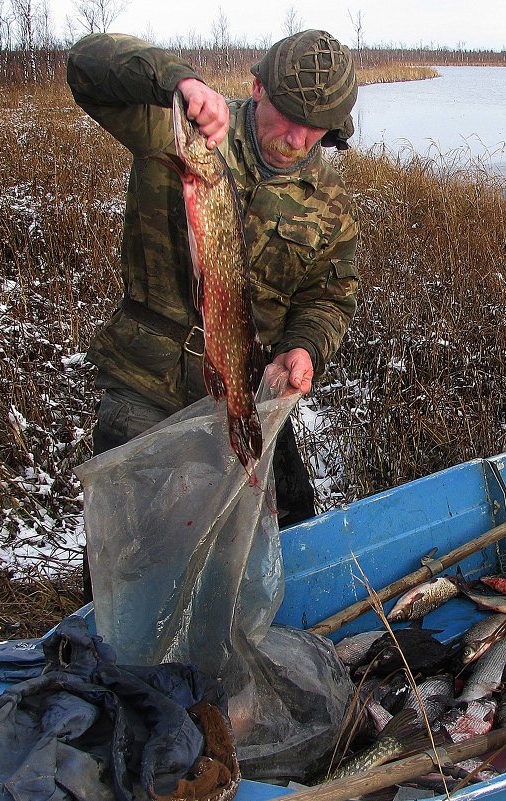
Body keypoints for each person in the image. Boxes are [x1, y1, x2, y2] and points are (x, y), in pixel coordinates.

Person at [67, 30, 360, 599]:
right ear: (257, 88)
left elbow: (328, 296)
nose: (297, 139)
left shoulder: (327, 200)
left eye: (315, 127)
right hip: (147, 381)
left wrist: (304, 348)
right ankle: (120, 664)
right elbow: (85, 67)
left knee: (291, 519)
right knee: (129, 557)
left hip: (246, 391)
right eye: (288, 115)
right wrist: (177, 78)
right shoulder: (183, 128)